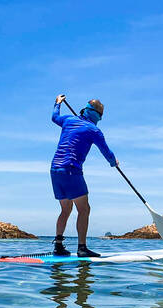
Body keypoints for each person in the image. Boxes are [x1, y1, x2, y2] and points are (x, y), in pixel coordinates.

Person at [50, 94, 118, 257]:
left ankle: (58, 246)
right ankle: (82, 248)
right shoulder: (94, 130)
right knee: (84, 209)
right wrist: (113, 162)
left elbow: (54, 117)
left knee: (66, 209)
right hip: (71, 169)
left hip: (54, 169)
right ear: (98, 116)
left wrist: (57, 103)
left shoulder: (68, 120)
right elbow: (106, 151)